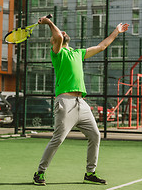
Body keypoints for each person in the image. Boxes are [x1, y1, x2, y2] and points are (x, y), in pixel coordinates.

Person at [33, 16, 129, 186]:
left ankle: (90, 173)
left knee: (95, 135)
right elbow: (59, 38)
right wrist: (48, 23)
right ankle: (40, 173)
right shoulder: (58, 54)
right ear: (53, 41)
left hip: (81, 103)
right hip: (65, 102)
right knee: (58, 139)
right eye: (57, 34)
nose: (62, 33)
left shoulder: (78, 53)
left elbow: (102, 46)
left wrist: (116, 31)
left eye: (62, 32)